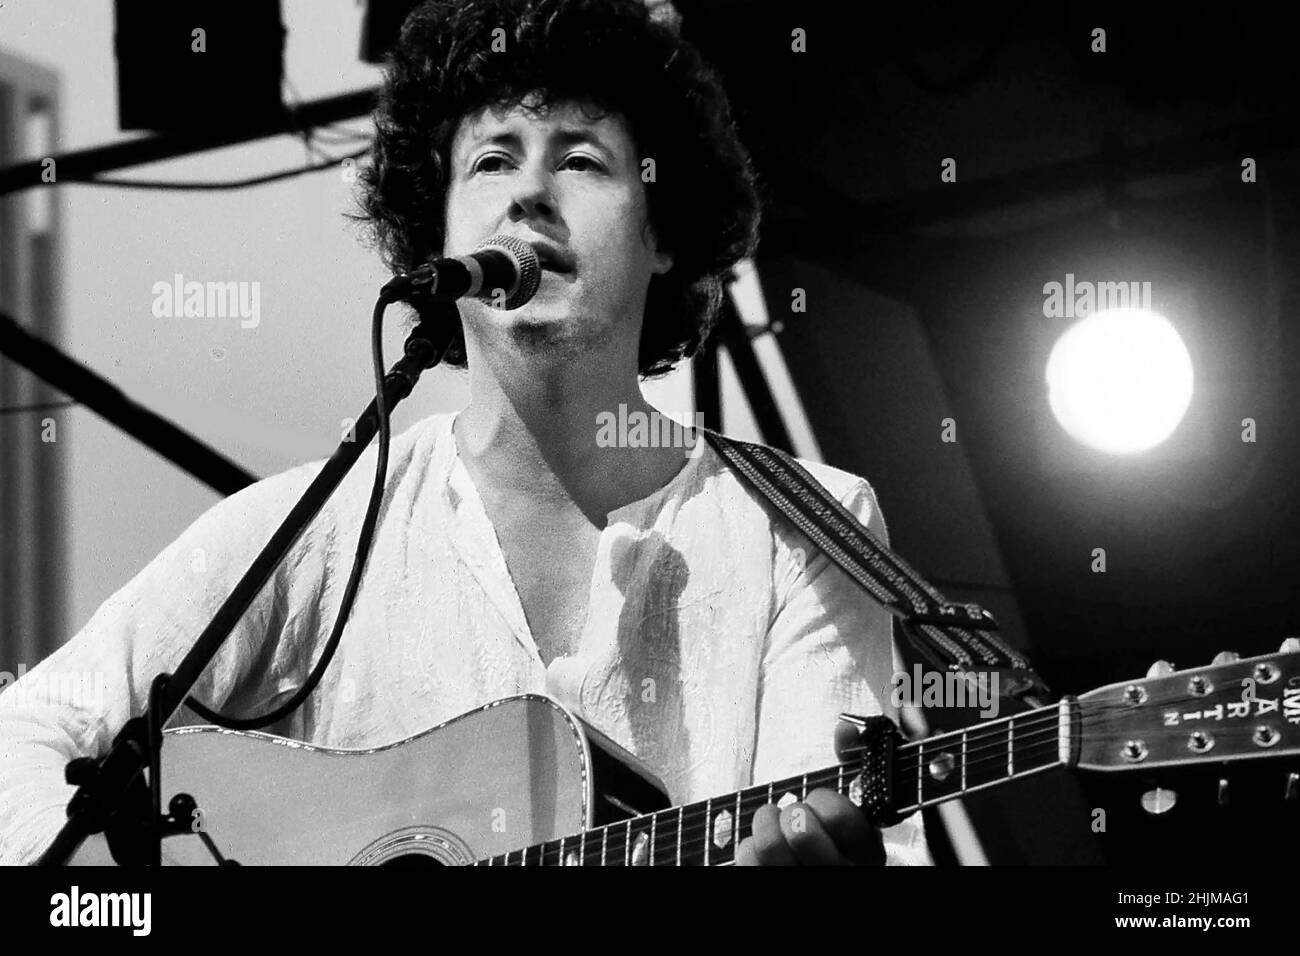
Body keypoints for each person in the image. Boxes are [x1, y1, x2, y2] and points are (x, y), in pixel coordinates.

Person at [0, 0, 929, 866]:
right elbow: (30, 727)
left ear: (663, 233)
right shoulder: (321, 525)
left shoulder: (808, 525)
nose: (528, 195)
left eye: (580, 160)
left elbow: (834, 818)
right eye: (491, 161)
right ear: (435, 234)